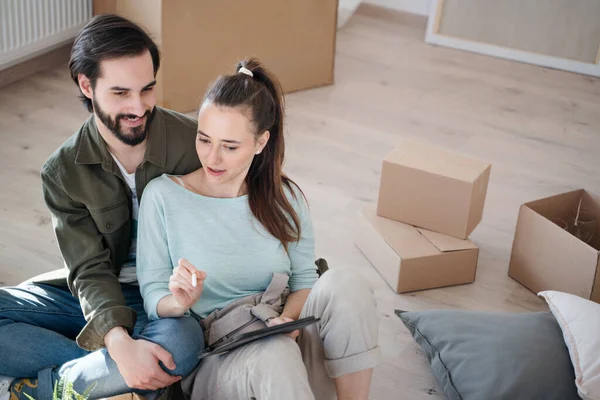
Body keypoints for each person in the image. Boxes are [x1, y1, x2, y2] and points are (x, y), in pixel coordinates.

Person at [136, 58, 381, 400]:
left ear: (261, 142)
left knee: (347, 283)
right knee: (274, 353)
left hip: (283, 334)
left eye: (230, 146)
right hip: (223, 360)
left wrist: (288, 320)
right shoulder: (163, 197)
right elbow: (151, 293)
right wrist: (179, 302)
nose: (212, 158)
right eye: (204, 140)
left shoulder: (285, 197)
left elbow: (304, 282)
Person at [0, 14, 204, 400]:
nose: (139, 107)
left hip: (163, 302)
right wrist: (118, 343)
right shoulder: (62, 172)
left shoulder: (191, 143)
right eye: (121, 93)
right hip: (93, 294)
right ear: (86, 85)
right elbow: (89, 270)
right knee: (154, 359)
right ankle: (120, 376)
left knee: (180, 343)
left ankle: (39, 389)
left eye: (147, 90)